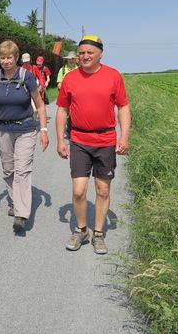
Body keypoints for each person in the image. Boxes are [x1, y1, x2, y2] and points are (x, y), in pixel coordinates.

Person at [55, 35, 131, 254]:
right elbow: (62, 109)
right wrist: (61, 139)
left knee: (103, 190)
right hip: (79, 140)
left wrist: (124, 136)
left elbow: (123, 107)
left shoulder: (113, 76)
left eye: (89, 52)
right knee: (79, 192)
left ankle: (98, 233)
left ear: (100, 54)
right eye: (81, 53)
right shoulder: (70, 78)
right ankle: (81, 229)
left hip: (105, 140)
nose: (85, 56)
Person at [0, 40, 49, 232]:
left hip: (26, 128)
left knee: (22, 170)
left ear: (16, 58)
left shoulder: (26, 77)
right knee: (9, 170)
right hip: (2, 130)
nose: (6, 61)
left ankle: (21, 214)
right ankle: (15, 200)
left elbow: (40, 104)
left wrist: (43, 130)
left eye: (10, 57)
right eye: (2, 57)